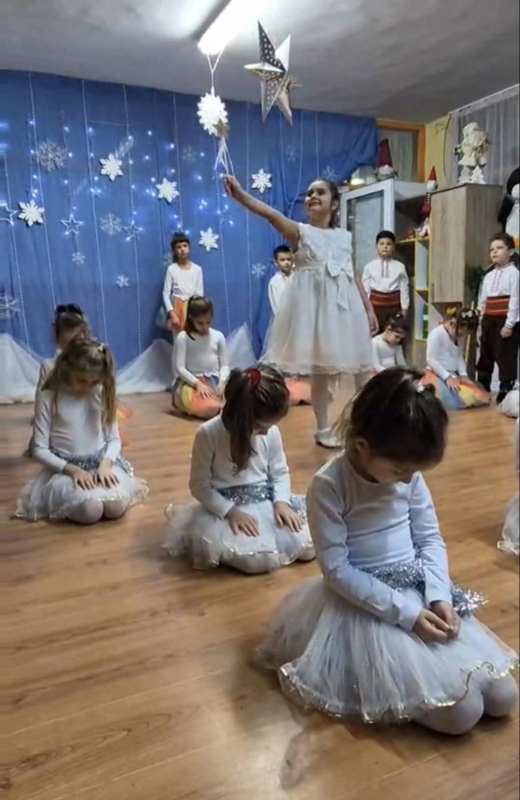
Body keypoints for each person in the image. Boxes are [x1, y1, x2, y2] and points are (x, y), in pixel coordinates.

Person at [257, 368, 518, 734]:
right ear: (363, 447)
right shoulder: (328, 485)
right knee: (463, 713)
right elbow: (337, 570)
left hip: (418, 590)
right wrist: (408, 615)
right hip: (368, 604)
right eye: (400, 469)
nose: (409, 478)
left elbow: (429, 539)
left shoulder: (409, 475)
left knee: (504, 696)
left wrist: (439, 596)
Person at [224, 175, 376, 449]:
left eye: (320, 192)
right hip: (317, 314)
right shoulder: (301, 232)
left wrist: (368, 308)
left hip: (345, 311)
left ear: (334, 203)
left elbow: (352, 273)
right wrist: (241, 195)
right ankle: (323, 427)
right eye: (309, 193)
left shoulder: (344, 237)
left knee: (363, 369)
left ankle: (362, 422)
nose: (312, 196)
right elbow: (270, 214)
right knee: (322, 371)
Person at [164, 366, 315, 574]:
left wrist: (281, 502)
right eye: (261, 427)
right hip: (228, 508)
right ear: (243, 419)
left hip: (266, 501)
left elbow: (279, 472)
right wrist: (231, 512)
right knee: (260, 561)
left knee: (308, 547)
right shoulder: (208, 434)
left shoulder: (271, 432)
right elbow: (199, 486)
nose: (266, 432)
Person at [16, 338, 147, 524]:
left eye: (94, 382)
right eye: (81, 380)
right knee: (90, 510)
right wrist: (72, 470)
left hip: (100, 463)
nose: (87, 387)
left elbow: (114, 439)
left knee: (115, 506)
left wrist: (106, 464)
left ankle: (105, 488)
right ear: (67, 368)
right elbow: (38, 449)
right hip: (65, 469)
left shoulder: (101, 391)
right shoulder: (50, 394)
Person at [477, 233, 520, 404]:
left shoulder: (514, 273)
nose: (494, 252)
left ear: (510, 252)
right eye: (491, 249)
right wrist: (481, 318)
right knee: (486, 352)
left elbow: (515, 299)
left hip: (505, 318)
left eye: (499, 248)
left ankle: (505, 388)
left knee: (505, 354)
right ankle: (483, 384)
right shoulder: (488, 275)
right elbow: (483, 299)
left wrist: (509, 324)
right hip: (489, 318)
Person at [172, 296, 229, 419]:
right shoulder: (183, 337)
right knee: (207, 407)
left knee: (240, 398)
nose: (205, 327)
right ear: (191, 318)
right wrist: (197, 384)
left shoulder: (218, 336)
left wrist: (222, 382)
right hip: (192, 382)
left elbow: (224, 365)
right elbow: (180, 368)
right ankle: (217, 409)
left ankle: (223, 408)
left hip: (215, 380)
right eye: (200, 323)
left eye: (208, 322)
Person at [423, 308, 490, 410]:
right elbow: (431, 359)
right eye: (461, 333)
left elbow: (459, 357)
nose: (462, 336)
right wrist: (447, 377)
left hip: (453, 375)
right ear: (452, 324)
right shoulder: (436, 334)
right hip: (437, 374)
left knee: (478, 395)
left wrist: (463, 375)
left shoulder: (457, 337)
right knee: (452, 402)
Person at [362, 231, 410, 333]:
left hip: (394, 308)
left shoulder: (400, 266)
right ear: (376, 246)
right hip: (375, 308)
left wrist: (404, 309)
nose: (385, 247)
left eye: (388, 244)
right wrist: (366, 310)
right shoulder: (369, 267)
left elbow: (404, 289)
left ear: (393, 247)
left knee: (394, 335)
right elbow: (366, 290)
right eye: (381, 244)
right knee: (374, 334)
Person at [268, 245, 294, 316]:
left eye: (289, 259)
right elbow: (276, 305)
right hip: (284, 318)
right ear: (276, 263)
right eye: (282, 260)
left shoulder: (297, 277)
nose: (286, 262)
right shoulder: (274, 282)